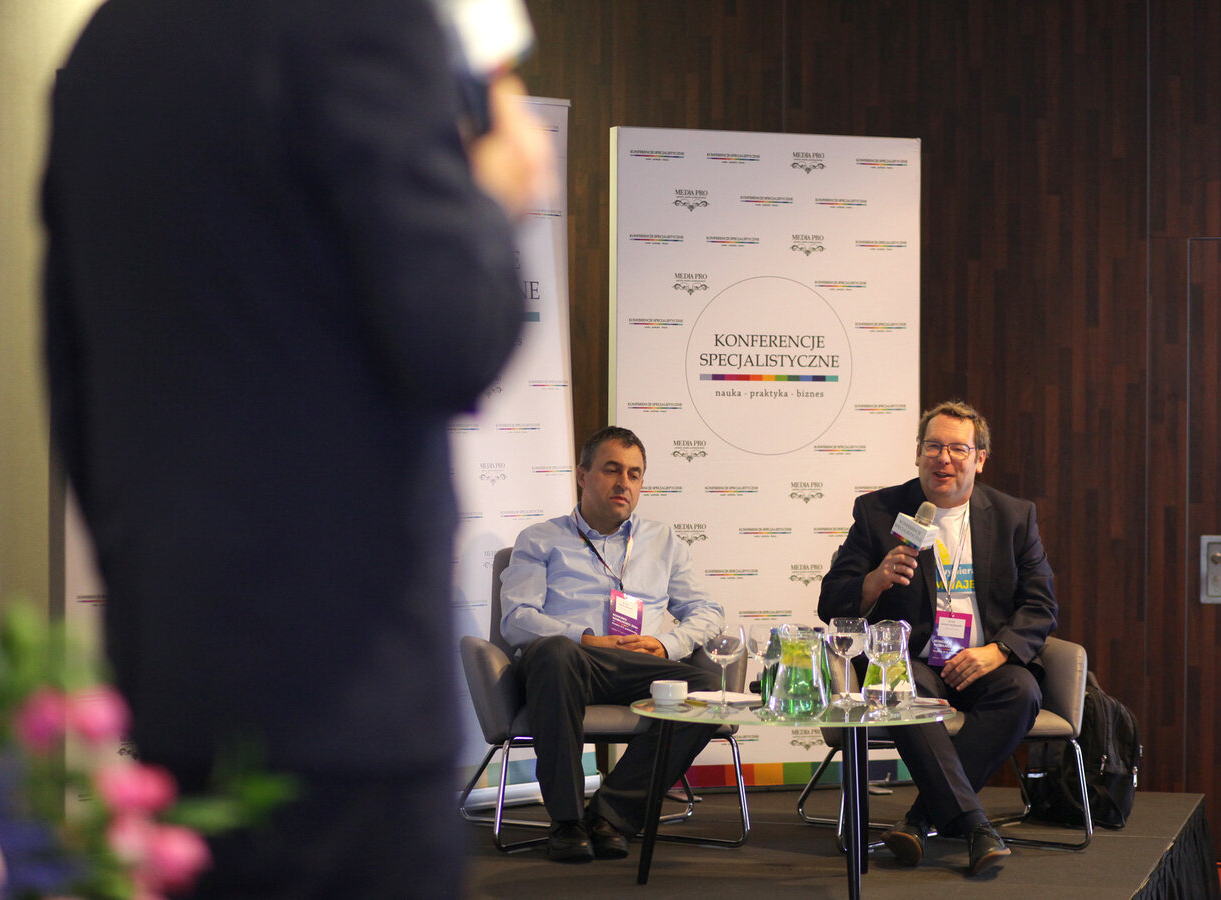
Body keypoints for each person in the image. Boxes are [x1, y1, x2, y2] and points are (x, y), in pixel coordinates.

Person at [43, 1, 552, 896]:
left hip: (173, 682)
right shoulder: (365, 23)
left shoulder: (107, 46)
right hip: (345, 700)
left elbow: (73, 371)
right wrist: (500, 188)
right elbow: (455, 340)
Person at [818, 400, 1057, 877]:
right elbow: (831, 602)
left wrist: (998, 652)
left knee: (1023, 690)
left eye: (957, 449)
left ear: (979, 458)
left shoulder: (1013, 516)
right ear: (917, 453)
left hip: (982, 662)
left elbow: (1040, 605)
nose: (943, 459)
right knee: (902, 685)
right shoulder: (879, 511)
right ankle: (974, 826)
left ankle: (920, 818)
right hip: (908, 663)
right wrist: (874, 581)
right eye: (933, 447)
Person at [499, 426, 725, 863]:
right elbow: (517, 618)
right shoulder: (540, 538)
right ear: (583, 475)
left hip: (639, 667)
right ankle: (567, 822)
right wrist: (584, 639)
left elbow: (707, 610)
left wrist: (665, 644)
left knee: (707, 689)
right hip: (570, 665)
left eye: (634, 474)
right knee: (555, 651)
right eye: (612, 470)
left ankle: (611, 817)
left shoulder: (664, 541)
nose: (624, 483)